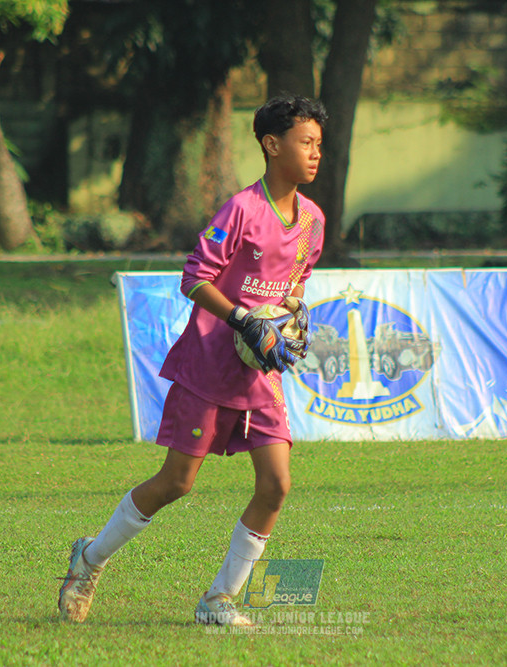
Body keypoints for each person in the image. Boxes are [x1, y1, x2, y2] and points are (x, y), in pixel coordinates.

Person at [57, 94, 327, 627]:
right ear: (272, 146)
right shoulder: (242, 209)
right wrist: (245, 321)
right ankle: (89, 560)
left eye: (320, 145)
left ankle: (217, 600)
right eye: (306, 143)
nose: (316, 154)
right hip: (208, 366)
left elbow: (293, 286)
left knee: (276, 484)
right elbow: (195, 277)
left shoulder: (314, 221)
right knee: (176, 483)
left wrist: (290, 316)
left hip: (258, 374)